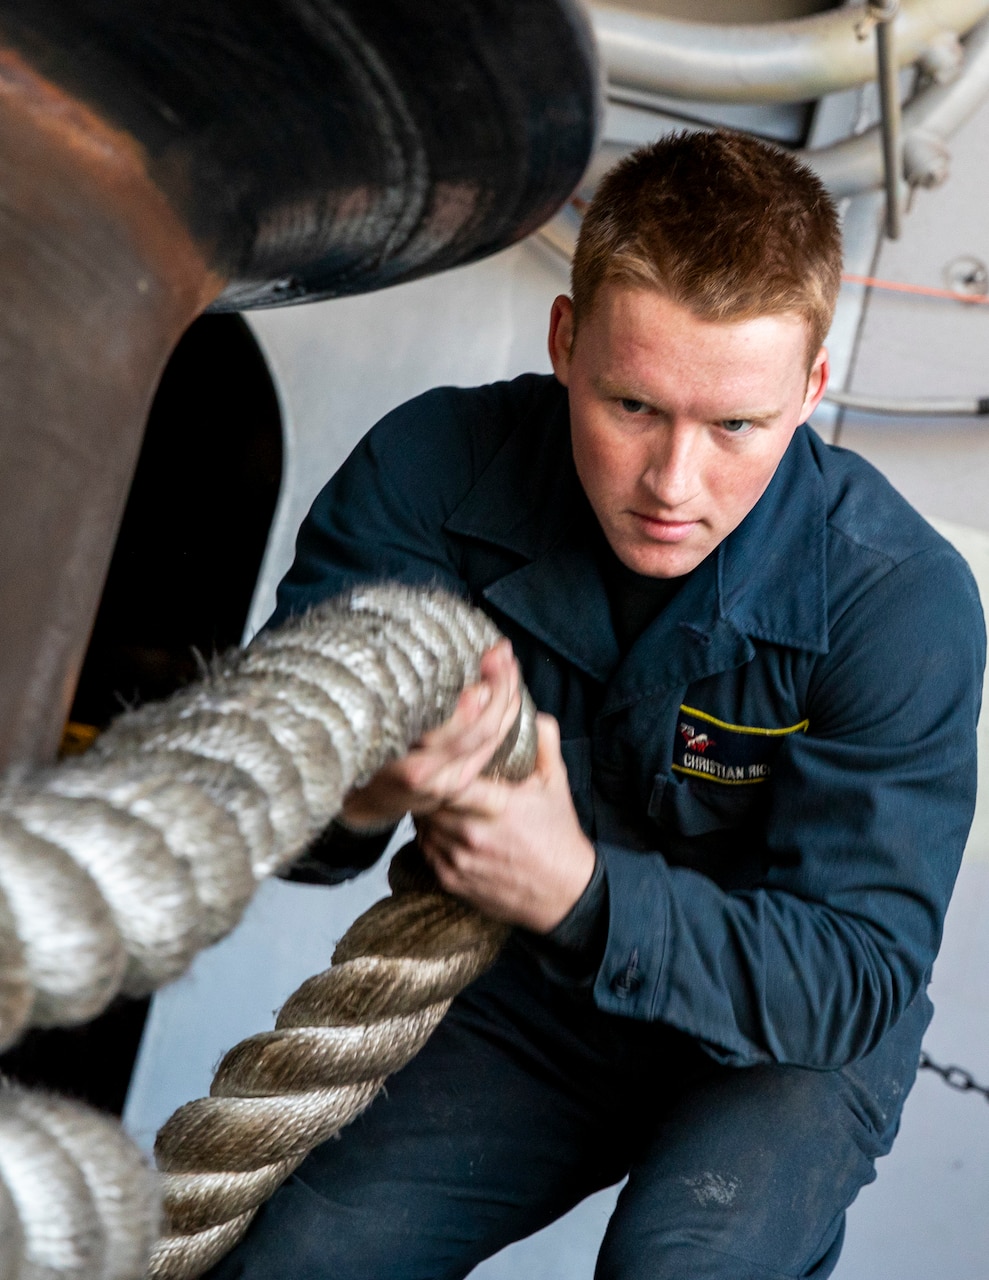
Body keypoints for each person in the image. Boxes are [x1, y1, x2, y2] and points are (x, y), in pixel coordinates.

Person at [208, 130, 985, 1280]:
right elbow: (277, 814)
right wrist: (366, 783)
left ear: (809, 389)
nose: (673, 483)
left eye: (735, 426)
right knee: (302, 1256)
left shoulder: (899, 601)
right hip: (540, 1001)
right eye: (631, 405)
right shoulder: (431, 469)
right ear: (565, 342)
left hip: (785, 1044)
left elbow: (851, 976)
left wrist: (577, 886)